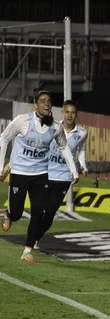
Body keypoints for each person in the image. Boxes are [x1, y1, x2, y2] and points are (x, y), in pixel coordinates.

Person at [0, 90, 79, 262]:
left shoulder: (56, 127)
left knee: (38, 212)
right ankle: (9, 214)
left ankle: (27, 251)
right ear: (35, 104)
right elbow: (4, 138)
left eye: (49, 101)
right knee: (17, 214)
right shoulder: (22, 121)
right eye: (42, 101)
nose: (46, 104)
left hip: (41, 174)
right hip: (20, 173)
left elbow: (64, 147)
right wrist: (1, 167)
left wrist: (73, 170)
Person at [34, 100, 88, 249]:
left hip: (64, 177)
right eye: (67, 112)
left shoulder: (82, 133)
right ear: (62, 113)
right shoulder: (52, 127)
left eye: (72, 112)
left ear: (76, 114)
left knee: (50, 213)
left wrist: (82, 165)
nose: (69, 115)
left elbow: (81, 150)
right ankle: (33, 237)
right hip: (46, 173)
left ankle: (36, 237)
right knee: (39, 209)